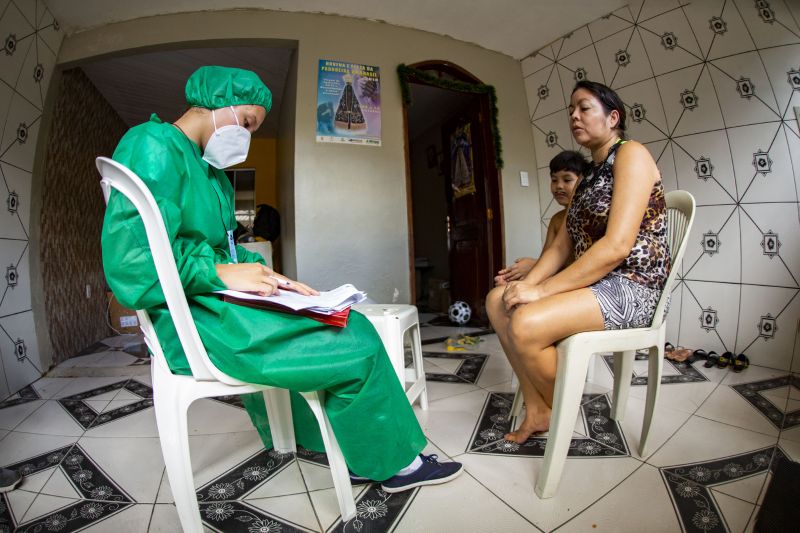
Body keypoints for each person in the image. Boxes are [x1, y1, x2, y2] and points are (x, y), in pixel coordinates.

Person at [101, 66, 462, 492]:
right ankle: (393, 464)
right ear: (218, 102)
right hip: (190, 321)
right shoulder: (152, 145)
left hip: (210, 303)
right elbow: (133, 265)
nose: (247, 138)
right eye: (248, 123)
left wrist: (270, 277)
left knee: (335, 316)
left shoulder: (212, 175)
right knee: (355, 335)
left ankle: (361, 450)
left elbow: (216, 252)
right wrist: (219, 272)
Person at [486, 80, 670, 443]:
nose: (574, 116)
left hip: (633, 286)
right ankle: (539, 412)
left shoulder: (631, 154)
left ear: (612, 117)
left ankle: (563, 407)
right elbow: (558, 248)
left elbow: (617, 246)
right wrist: (528, 285)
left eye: (584, 108)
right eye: (571, 110)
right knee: (497, 301)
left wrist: (541, 293)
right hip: (596, 284)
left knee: (524, 323)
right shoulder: (587, 181)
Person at [494, 150, 588, 285]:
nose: (559, 186)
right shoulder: (556, 220)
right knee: (500, 291)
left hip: (579, 281)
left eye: (567, 180)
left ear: (582, 182)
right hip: (556, 278)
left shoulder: (588, 216)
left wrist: (532, 265)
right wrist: (517, 278)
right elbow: (547, 258)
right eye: (554, 180)